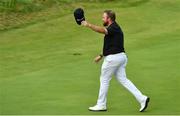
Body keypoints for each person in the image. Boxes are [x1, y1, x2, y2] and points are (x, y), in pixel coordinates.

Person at [81, 10, 150, 112]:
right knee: (123, 80)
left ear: (109, 19)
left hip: (113, 59)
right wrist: (101, 55)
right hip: (120, 57)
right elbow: (112, 45)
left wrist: (88, 25)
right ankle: (142, 98)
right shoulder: (114, 28)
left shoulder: (113, 28)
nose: (102, 19)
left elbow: (101, 30)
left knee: (104, 79)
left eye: (103, 17)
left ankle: (101, 104)